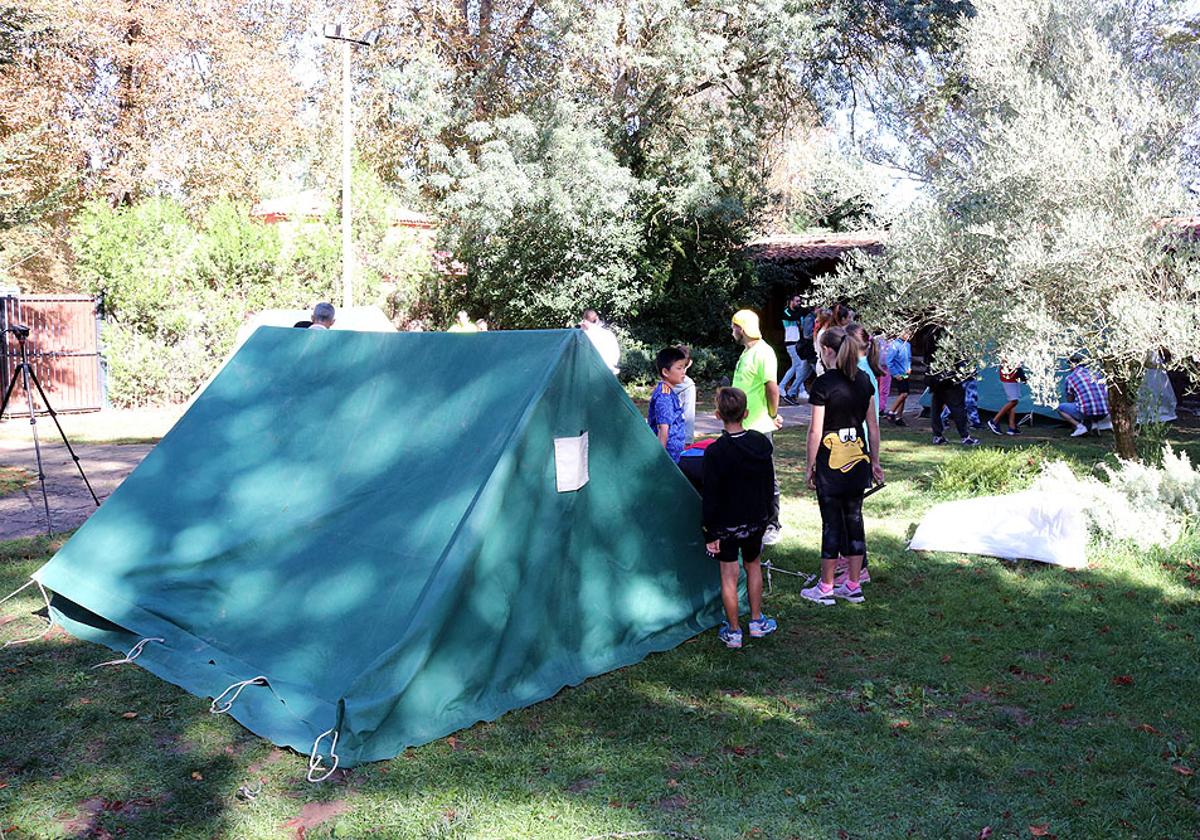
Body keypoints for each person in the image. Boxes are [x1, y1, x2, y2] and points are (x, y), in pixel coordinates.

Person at [800, 327, 884, 606]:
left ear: (827, 351)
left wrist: (810, 465)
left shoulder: (824, 384)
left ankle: (825, 588)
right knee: (855, 520)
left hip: (831, 463)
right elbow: (872, 426)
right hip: (858, 459)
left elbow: (816, 431)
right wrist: (875, 461)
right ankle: (852, 584)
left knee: (831, 523)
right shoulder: (863, 381)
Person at [702, 387, 778, 649]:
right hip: (755, 519)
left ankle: (734, 631)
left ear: (717, 415)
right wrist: (770, 514)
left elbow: (710, 495)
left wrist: (710, 531)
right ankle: (756, 621)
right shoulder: (760, 443)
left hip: (727, 524)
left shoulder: (715, 452)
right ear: (745, 413)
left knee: (728, 575)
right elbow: (769, 483)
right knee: (753, 564)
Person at [731, 309, 784, 544]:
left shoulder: (764, 352)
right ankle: (750, 520)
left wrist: (773, 414)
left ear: (742, 328)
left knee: (766, 477)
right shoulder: (746, 352)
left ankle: (773, 525)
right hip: (740, 426)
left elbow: (772, 388)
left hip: (759, 427)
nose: (732, 331)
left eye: (734, 326)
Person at [926, 350, 981, 446]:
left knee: (936, 408)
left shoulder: (930, 340)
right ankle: (965, 437)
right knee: (958, 409)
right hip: (950, 382)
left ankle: (937, 436)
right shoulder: (953, 346)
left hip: (935, 379)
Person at [648, 347, 689, 463]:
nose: (683, 372)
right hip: (668, 458)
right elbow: (663, 429)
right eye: (679, 368)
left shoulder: (670, 392)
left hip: (675, 456)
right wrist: (661, 460)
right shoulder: (664, 396)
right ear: (665, 372)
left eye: (684, 367)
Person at [1057, 354, 1109, 437]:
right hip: (1104, 412)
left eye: (1069, 365)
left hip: (1087, 412)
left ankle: (1080, 427)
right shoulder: (1096, 374)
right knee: (1092, 403)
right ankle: (1093, 425)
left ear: (1073, 364)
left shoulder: (1070, 378)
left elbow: (1070, 400)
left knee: (1061, 408)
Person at [779, 295, 810, 404]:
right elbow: (792, 317)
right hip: (790, 342)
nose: (798, 303)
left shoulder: (799, 313)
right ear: (790, 301)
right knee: (798, 365)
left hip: (797, 343)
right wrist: (801, 313)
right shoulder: (786, 311)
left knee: (798, 366)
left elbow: (801, 326)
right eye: (797, 301)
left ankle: (798, 390)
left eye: (800, 301)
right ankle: (783, 387)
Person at [988, 362, 1025, 436]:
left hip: (1013, 377)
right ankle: (994, 421)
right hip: (1009, 378)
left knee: (1014, 401)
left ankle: (1012, 427)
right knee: (1014, 401)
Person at [883, 330, 912, 424]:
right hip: (898, 373)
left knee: (903, 395)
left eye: (909, 333)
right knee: (904, 393)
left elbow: (909, 359)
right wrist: (895, 374)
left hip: (905, 373)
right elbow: (889, 361)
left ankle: (899, 417)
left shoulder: (908, 345)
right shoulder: (895, 345)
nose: (908, 335)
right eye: (906, 333)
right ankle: (891, 412)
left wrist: (909, 368)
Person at [579, 309, 620, 375]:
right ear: (597, 319)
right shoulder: (608, 334)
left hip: (591, 372)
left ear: (585, 321)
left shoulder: (584, 335)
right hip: (608, 370)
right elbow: (616, 354)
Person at [675, 345, 697, 444]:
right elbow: (689, 416)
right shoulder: (689, 387)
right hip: (679, 439)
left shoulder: (663, 384)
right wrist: (688, 441)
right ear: (690, 363)